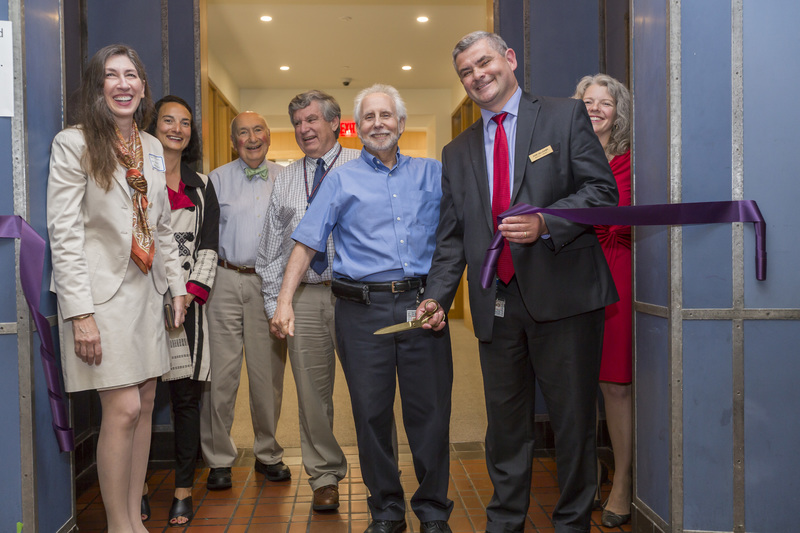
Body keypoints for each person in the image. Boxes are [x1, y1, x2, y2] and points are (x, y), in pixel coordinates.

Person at [417, 32, 619, 533]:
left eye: (483, 62)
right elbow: (452, 238)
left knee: (572, 425)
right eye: (466, 71)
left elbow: (602, 193)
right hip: (497, 305)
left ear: (509, 59)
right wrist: (436, 297)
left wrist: (546, 221)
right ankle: (505, 522)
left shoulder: (562, 116)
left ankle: (572, 523)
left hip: (566, 299)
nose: (477, 75)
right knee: (505, 430)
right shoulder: (456, 149)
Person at [272, 84, 454, 533]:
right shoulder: (340, 179)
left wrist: (443, 295)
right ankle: (387, 511)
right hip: (361, 312)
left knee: (429, 414)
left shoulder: (434, 174)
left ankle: (432, 511)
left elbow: (456, 239)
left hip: (421, 308)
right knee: (371, 416)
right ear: (358, 125)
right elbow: (306, 240)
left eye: (386, 115)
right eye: (369, 117)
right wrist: (283, 300)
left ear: (401, 123)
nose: (378, 124)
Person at [47, 44, 186, 533]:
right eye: (112, 75)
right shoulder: (75, 143)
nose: (123, 84)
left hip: (147, 295)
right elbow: (64, 234)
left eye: (132, 75)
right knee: (122, 408)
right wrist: (79, 313)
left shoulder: (150, 146)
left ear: (143, 87)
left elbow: (162, 226)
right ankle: (118, 526)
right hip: (100, 300)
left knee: (145, 403)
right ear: (97, 87)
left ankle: (133, 521)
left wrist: (178, 287)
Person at [255, 90, 359, 512]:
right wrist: (274, 306)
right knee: (312, 394)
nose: (305, 129)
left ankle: (382, 473)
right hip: (306, 299)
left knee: (371, 389)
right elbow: (270, 251)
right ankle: (324, 476)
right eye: (298, 123)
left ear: (335, 123)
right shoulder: (285, 178)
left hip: (356, 296)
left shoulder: (361, 165)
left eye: (313, 120)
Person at [199, 111, 289, 491]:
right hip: (224, 280)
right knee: (220, 375)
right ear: (234, 140)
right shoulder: (216, 179)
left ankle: (268, 453)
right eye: (242, 133)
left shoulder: (287, 179)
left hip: (267, 284)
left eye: (257, 131)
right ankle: (219, 459)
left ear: (268, 136)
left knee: (267, 375)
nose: (251, 139)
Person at [144, 95, 220, 526]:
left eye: (185, 123)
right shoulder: (135, 176)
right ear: (153, 125)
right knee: (137, 397)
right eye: (168, 120)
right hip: (137, 302)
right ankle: (136, 488)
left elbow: (209, 244)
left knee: (185, 400)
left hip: (186, 306)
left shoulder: (202, 185)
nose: (177, 128)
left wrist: (189, 293)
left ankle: (183, 491)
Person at [573, 73, 632, 528]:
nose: (595, 108)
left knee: (614, 385)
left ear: (619, 112)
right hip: (569, 277)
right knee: (575, 383)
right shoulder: (562, 158)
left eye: (604, 102)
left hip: (617, 276)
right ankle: (588, 473)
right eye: (586, 101)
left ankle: (624, 483)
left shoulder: (635, 161)